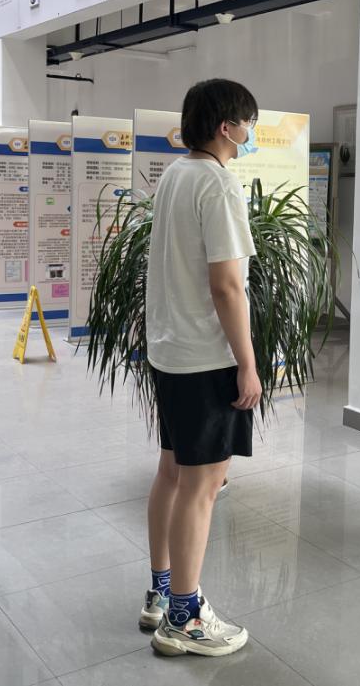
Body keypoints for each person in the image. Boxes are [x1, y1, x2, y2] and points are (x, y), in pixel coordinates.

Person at [139, 79, 260, 657]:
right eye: (248, 122)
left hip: (170, 352)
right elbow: (227, 285)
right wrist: (248, 364)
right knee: (204, 485)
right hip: (206, 357)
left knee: (172, 471)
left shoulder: (175, 175)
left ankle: (162, 591)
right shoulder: (218, 182)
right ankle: (184, 619)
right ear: (226, 127)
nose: (250, 132)